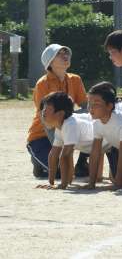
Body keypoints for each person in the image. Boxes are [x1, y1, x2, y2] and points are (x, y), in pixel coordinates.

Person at [27, 43, 88, 178]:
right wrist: (58, 148)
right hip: (41, 137)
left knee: (91, 116)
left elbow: (87, 108)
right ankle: (37, 163)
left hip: (63, 131)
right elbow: (45, 120)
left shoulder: (75, 79)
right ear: (50, 62)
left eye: (66, 53)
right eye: (59, 54)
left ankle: (82, 163)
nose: (65, 56)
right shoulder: (42, 84)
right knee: (59, 173)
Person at [36, 92, 94, 190]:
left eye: (48, 109)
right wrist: (51, 182)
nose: (43, 112)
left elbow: (65, 156)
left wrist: (63, 185)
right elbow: (53, 154)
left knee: (118, 180)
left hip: (107, 143)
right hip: (92, 147)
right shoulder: (60, 126)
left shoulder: (70, 124)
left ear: (60, 114)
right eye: (44, 108)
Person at [84, 82, 122, 190]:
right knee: (116, 178)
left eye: (96, 104)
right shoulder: (97, 123)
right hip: (119, 150)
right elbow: (95, 152)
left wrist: (118, 185)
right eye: (89, 103)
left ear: (109, 106)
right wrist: (91, 183)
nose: (91, 108)